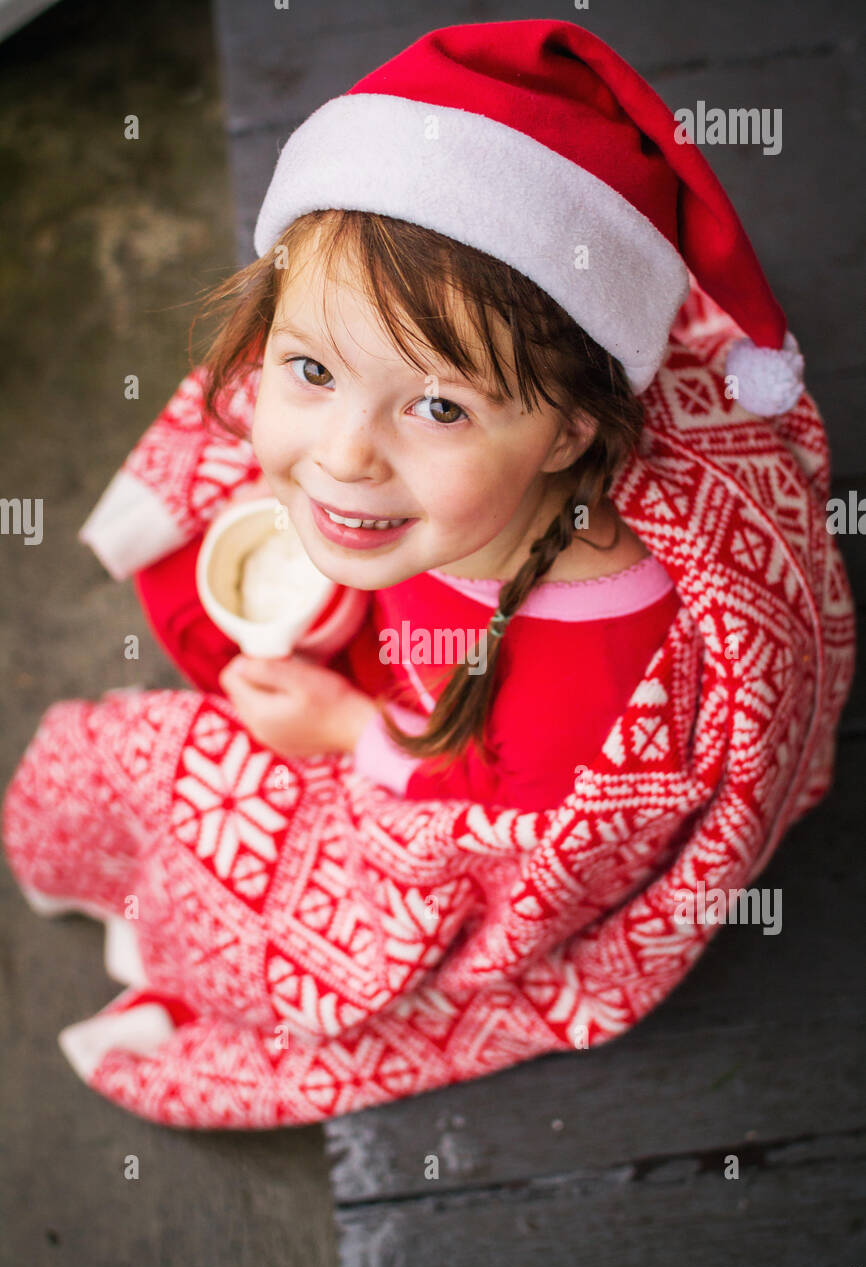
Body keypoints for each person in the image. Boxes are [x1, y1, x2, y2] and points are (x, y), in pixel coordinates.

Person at [1, 20, 855, 1129]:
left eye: (439, 406)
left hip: (439, 771)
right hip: (403, 659)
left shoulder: (593, 688)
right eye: (309, 368)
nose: (346, 454)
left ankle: (168, 944)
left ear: (565, 436)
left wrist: (350, 733)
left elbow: (513, 836)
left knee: (139, 764)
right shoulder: (413, 464)